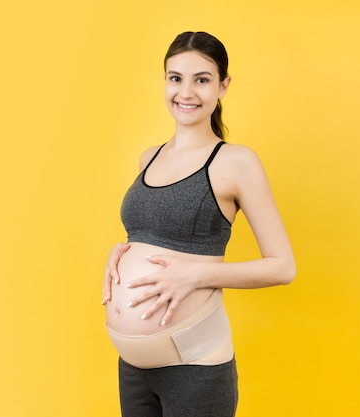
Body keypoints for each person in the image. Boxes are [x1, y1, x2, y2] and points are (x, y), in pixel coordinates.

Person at [101, 31, 296, 417]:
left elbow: (283, 266)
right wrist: (120, 253)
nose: (186, 92)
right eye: (176, 78)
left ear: (223, 86)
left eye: (201, 79)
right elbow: (150, 236)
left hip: (195, 365)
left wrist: (196, 275)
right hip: (134, 370)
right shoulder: (148, 157)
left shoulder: (235, 162)